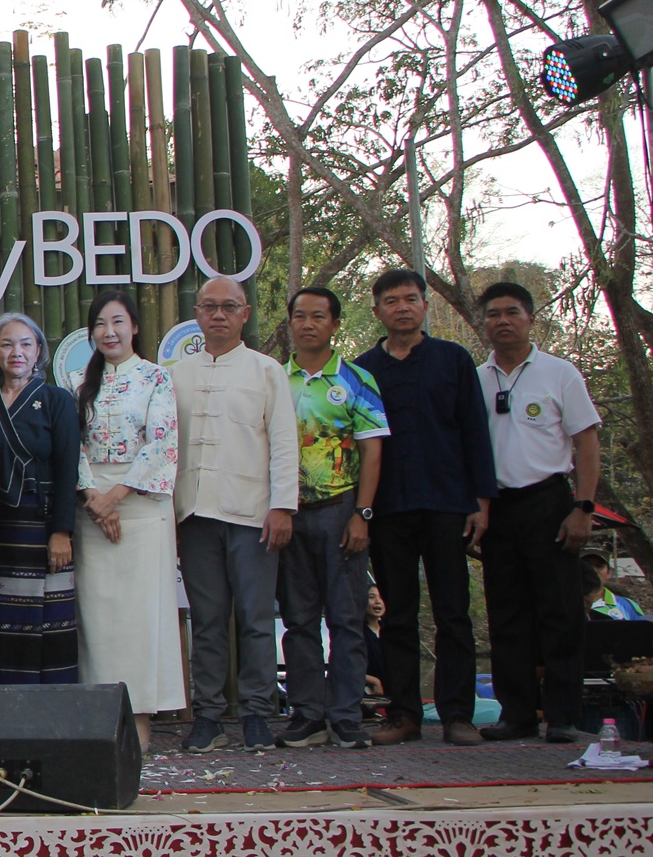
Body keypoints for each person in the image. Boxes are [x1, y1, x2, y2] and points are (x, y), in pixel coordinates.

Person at [354, 268, 495, 746]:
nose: (402, 308)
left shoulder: (452, 360)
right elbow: (358, 445)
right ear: (377, 311)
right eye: (391, 301)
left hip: (446, 501)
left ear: (425, 306)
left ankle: (458, 714)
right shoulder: (362, 369)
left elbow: (475, 431)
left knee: (453, 610)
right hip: (388, 507)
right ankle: (405, 714)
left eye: (410, 299)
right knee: (397, 615)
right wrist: (362, 510)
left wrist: (481, 500)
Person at [169, 277, 297, 753]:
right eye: (209, 306)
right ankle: (208, 716)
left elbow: (284, 443)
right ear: (197, 314)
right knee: (207, 618)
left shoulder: (267, 372)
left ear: (245, 314)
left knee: (256, 618)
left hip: (253, 514)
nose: (218, 314)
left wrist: (283, 506)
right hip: (194, 514)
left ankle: (258, 715)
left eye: (229, 307)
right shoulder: (175, 374)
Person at [473, 280, 602, 743]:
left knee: (560, 610)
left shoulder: (559, 373)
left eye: (512, 312)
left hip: (550, 500)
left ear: (530, 318)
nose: (502, 321)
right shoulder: (477, 378)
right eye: (493, 314)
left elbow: (586, 442)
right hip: (498, 506)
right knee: (506, 612)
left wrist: (582, 507)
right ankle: (517, 714)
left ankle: (564, 715)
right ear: (482, 323)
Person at [276, 287, 388, 750]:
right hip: (288, 512)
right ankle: (308, 714)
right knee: (299, 619)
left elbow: (372, 449)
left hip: (341, 509)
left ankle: (346, 716)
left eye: (318, 316)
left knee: (345, 618)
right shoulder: (275, 380)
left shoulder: (358, 380)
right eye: (299, 316)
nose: (307, 324)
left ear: (335, 324)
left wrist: (362, 515)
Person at [72, 288, 183, 750]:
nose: (108, 331)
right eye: (100, 323)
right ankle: (101, 719)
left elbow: (161, 443)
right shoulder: (78, 381)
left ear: (134, 327)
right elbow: (70, 445)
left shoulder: (157, 378)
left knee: (143, 617)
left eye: (117, 322)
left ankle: (140, 722)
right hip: (91, 507)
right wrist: (94, 498)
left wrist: (116, 496)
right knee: (99, 619)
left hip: (141, 504)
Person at [0, 311, 81, 688]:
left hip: (44, 522)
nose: (16, 352)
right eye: (6, 344)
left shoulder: (56, 400)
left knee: (55, 624)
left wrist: (62, 532)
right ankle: (14, 716)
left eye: (25, 343)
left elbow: (69, 466)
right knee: (8, 626)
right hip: (0, 528)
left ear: (39, 351)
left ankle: (55, 722)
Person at [584, 553, 647, 621]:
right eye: (588, 566)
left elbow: (641, 630)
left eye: (600, 566)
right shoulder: (571, 604)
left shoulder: (627, 605)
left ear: (609, 573)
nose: (594, 571)